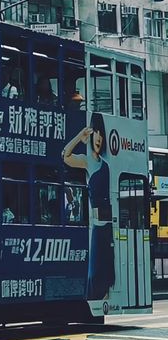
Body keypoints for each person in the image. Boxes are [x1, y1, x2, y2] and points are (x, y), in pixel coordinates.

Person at [63, 112, 115, 301]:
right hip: (97, 228)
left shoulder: (106, 165)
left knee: (108, 273)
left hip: (108, 226)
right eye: (96, 132)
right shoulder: (87, 162)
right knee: (94, 272)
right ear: (91, 135)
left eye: (102, 133)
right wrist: (79, 136)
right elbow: (65, 156)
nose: (99, 138)